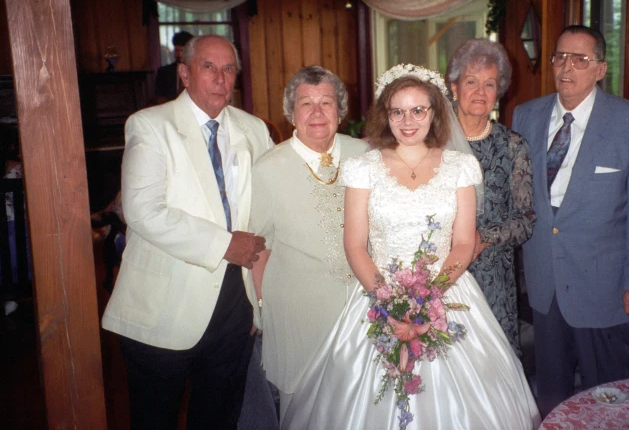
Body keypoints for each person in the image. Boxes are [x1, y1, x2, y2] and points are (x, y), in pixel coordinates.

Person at [282, 66, 541, 430]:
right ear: (385, 115)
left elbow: (464, 242)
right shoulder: (362, 168)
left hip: (447, 294)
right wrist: (389, 301)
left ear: (435, 112)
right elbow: (355, 245)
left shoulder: (460, 166)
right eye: (398, 111)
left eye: (419, 110)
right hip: (378, 295)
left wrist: (428, 299)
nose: (408, 120)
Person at [102, 35, 275, 430]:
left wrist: (261, 300)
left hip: (236, 305)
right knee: (154, 419)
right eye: (208, 67)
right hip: (164, 305)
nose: (220, 78)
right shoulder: (150, 126)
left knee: (218, 417)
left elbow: (270, 217)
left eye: (228, 69)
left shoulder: (254, 130)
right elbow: (143, 211)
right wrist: (224, 243)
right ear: (184, 73)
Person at [511, 25, 629, 417]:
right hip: (545, 286)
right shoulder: (525, 116)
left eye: (580, 59)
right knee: (554, 396)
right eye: (560, 57)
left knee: (609, 396)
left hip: (605, 287)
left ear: (600, 69)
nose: (567, 66)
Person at [246, 66, 368, 424]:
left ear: (340, 110)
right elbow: (256, 246)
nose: (317, 113)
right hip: (298, 313)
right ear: (291, 113)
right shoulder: (268, 168)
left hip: (360, 309)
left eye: (326, 102)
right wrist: (264, 305)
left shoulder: (365, 155)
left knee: (360, 405)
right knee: (306, 411)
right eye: (306, 103)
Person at [446, 39, 536, 357]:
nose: (480, 92)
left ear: (499, 91)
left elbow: (526, 220)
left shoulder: (513, 146)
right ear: (454, 87)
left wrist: (483, 238)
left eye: (489, 83)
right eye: (471, 82)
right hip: (440, 275)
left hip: (493, 280)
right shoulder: (432, 143)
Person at [154, 30, 194, 101]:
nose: (179, 54)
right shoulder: (164, 72)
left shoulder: (196, 70)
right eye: (176, 50)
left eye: (182, 50)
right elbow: (159, 96)